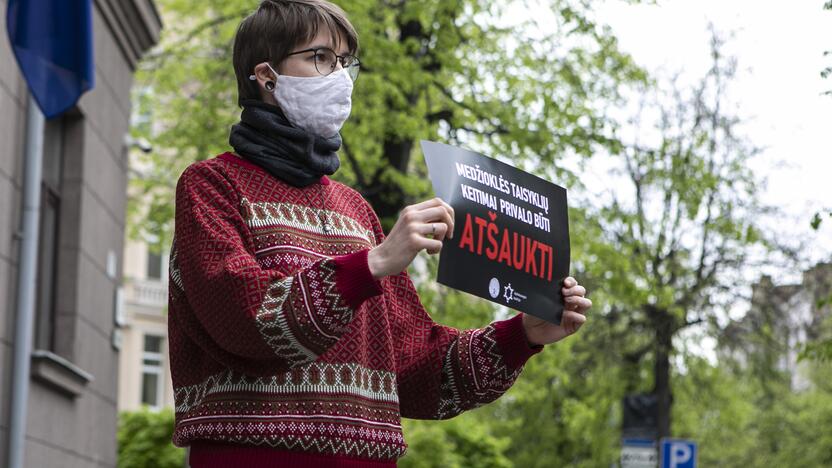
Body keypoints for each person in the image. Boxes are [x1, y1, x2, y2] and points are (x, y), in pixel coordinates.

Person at [167, 1, 592, 466]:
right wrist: (371, 264)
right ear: (266, 76)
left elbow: (413, 369)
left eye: (345, 62)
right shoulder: (211, 186)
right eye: (320, 58)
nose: (340, 77)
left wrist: (522, 335)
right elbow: (244, 318)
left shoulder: (356, 211)